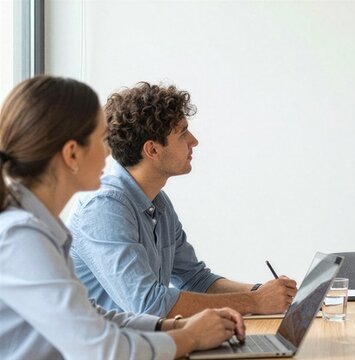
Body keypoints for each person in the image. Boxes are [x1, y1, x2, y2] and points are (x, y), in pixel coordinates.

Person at [0, 76, 245, 359]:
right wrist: (189, 337)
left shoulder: (37, 228)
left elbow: (92, 317)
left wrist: (172, 327)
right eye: (100, 139)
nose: (109, 151)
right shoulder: (22, 237)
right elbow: (100, 348)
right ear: (71, 154)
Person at [68, 82, 297, 317]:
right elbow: (149, 305)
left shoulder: (158, 203)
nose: (194, 140)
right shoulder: (103, 208)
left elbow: (195, 280)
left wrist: (266, 294)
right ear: (153, 150)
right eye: (182, 133)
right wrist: (255, 301)